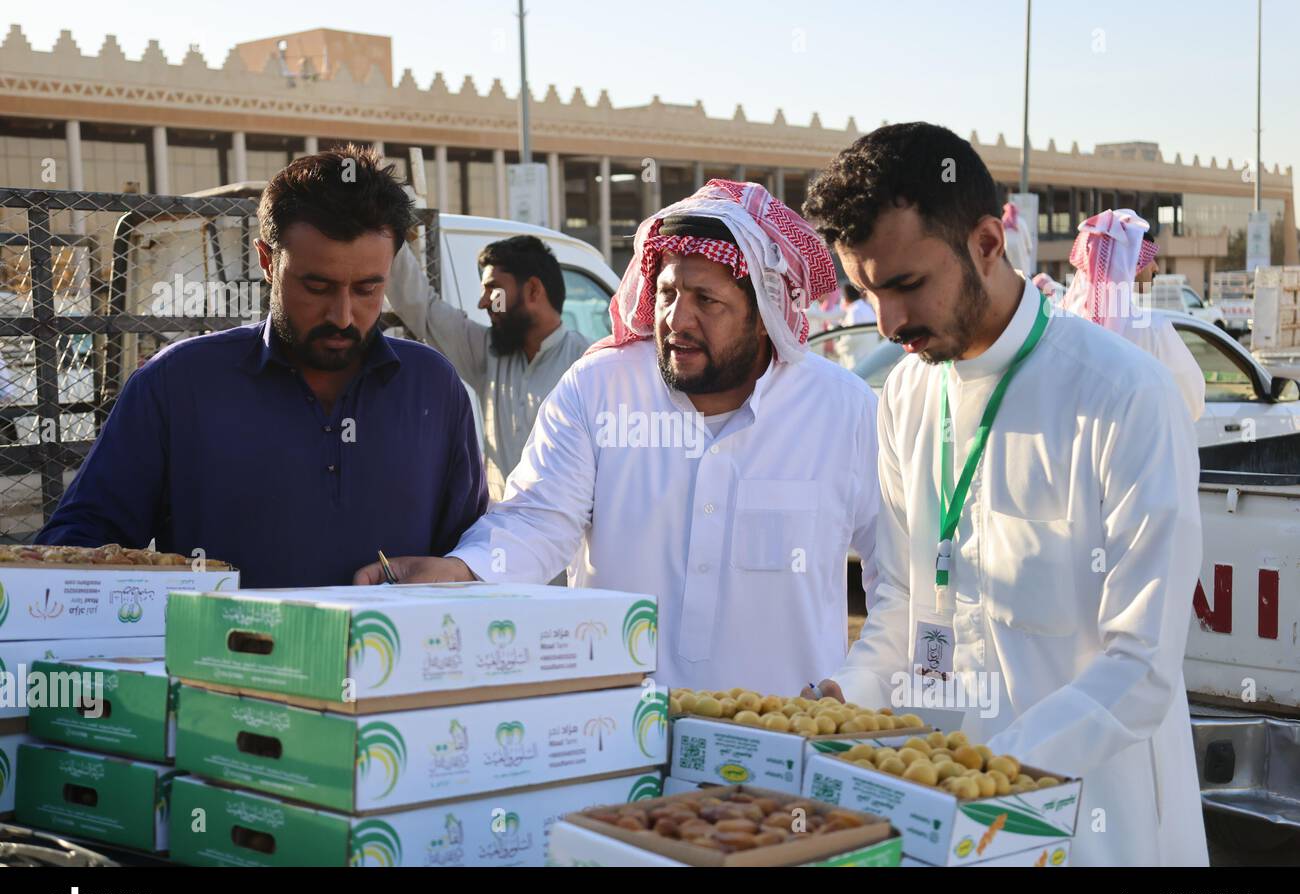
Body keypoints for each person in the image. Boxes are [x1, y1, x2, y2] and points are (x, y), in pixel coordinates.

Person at [800, 122, 1207, 867]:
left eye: (906, 285)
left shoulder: (1122, 396)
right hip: (935, 824)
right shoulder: (904, 397)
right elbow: (904, 604)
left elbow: (1143, 663)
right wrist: (845, 695)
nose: (888, 324)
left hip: (1087, 822)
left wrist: (991, 771)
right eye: (867, 292)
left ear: (987, 243)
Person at [357, 180, 881, 694]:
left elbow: (898, 576)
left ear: (764, 314)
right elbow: (538, 519)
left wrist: (856, 687)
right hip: (623, 736)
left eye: (707, 300)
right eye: (669, 293)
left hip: (790, 742)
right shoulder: (601, 386)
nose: (677, 318)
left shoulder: (843, 409)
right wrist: (460, 570)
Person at [38, 146, 487, 587]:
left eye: (369, 288)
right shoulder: (177, 385)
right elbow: (79, 548)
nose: (343, 315)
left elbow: (475, 554)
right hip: (226, 659)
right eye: (317, 286)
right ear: (268, 261)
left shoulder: (432, 386)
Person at [385, 234, 589, 499]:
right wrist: (387, 228)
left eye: (493, 290)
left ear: (533, 290)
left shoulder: (586, 365)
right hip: (500, 530)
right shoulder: (488, 352)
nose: (483, 302)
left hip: (566, 537)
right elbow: (422, 307)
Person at [1061, 210, 1205, 420]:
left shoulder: (1062, 327)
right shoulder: (1153, 330)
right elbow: (1192, 402)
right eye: (1149, 258)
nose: (1155, 268)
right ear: (1129, 263)